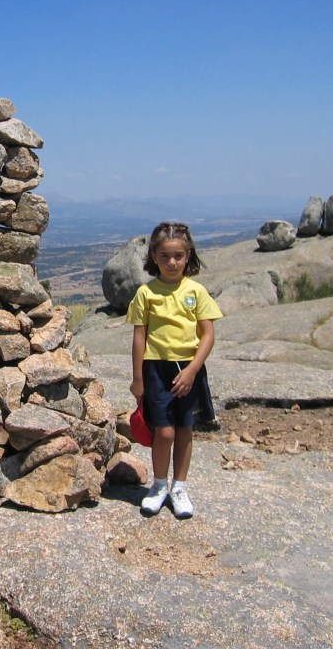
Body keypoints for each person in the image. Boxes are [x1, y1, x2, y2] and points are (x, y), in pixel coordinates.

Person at [127, 221, 222, 518]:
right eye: (165, 256)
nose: (172, 262)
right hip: (156, 369)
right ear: (154, 256)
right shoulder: (146, 293)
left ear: (188, 256)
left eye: (178, 256)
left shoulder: (196, 291)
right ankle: (158, 486)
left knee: (184, 430)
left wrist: (193, 369)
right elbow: (139, 336)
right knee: (163, 432)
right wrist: (138, 379)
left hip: (188, 370)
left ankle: (179, 487)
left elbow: (207, 335)